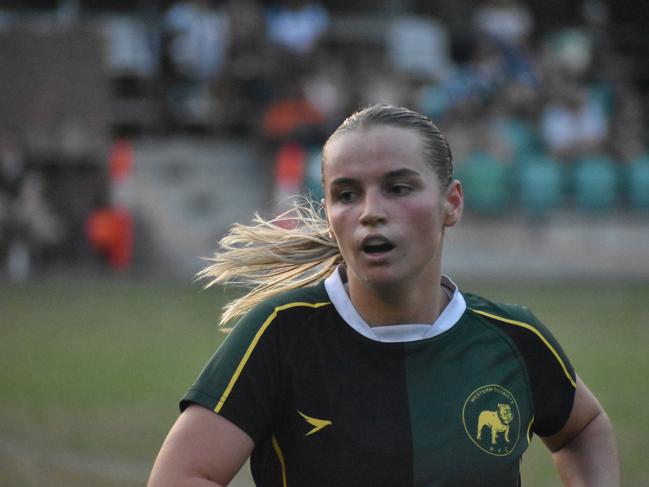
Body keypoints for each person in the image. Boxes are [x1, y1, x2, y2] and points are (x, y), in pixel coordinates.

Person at [148, 104, 619, 486]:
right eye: (347, 194)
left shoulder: (512, 340)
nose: (371, 212)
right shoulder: (282, 332)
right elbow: (182, 475)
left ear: (451, 202)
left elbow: (583, 429)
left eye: (398, 187)